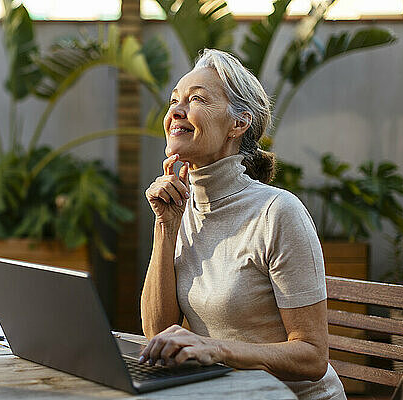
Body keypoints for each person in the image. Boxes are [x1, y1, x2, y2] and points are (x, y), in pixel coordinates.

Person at [140, 48, 346, 400]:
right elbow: (157, 332)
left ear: (238, 123)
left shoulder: (277, 212)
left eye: (197, 100)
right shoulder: (179, 209)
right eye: (174, 100)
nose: (176, 110)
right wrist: (166, 225)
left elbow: (313, 357)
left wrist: (216, 349)